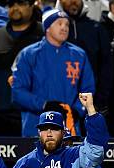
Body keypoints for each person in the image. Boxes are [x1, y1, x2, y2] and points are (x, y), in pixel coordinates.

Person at [11, 9, 95, 137]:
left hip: (69, 126)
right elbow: (18, 92)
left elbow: (87, 89)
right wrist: (44, 105)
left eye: (67, 24)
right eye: (59, 23)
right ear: (47, 28)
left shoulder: (79, 55)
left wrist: (77, 110)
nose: (64, 28)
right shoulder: (28, 54)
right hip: (35, 127)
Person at [0, 0, 43, 137]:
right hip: (0, 113)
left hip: (34, 113)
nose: (15, 8)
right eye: (11, 4)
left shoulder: (44, 34)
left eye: (20, 3)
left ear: (31, 6)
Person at [59, 0, 113, 113]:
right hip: (58, 103)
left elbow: (106, 67)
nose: (73, 1)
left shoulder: (97, 29)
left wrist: (99, 101)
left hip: (92, 103)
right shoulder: (51, 30)